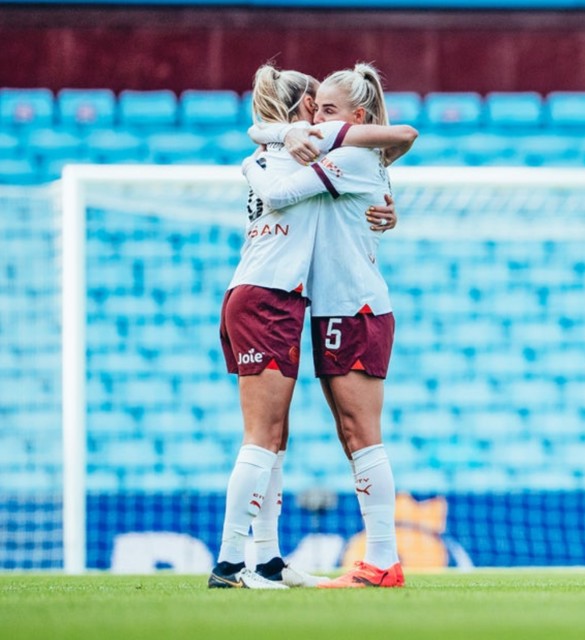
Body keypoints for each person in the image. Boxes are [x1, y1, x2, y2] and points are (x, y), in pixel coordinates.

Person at [209, 62, 416, 590]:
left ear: (353, 117)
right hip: (299, 304)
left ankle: (370, 560)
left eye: (330, 111)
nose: (320, 120)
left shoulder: (341, 155)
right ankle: (243, 562)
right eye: (316, 108)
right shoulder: (287, 155)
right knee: (296, 435)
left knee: (349, 435)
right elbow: (269, 155)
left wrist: (276, 144)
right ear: (302, 110)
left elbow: (397, 139)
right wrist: (277, 138)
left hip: (351, 307)